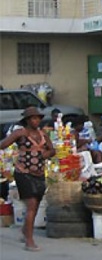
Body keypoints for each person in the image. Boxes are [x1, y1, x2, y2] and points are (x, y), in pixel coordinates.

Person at [0, 107, 55, 251]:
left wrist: (46, 154)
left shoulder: (43, 134)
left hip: (39, 173)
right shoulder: (20, 133)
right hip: (23, 173)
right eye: (33, 118)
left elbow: (52, 150)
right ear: (27, 120)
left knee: (35, 205)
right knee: (31, 204)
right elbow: (3, 144)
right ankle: (29, 241)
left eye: (38, 118)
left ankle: (26, 230)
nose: (36, 121)